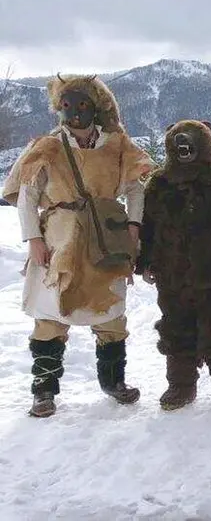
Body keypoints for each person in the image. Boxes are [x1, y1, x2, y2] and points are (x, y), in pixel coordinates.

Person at [2, 74, 154, 417]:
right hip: (61, 239)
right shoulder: (48, 146)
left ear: (96, 107)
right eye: (67, 104)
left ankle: (113, 381)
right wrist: (34, 240)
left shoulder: (117, 145)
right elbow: (27, 196)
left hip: (106, 237)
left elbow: (135, 189)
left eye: (82, 104)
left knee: (110, 314)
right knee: (51, 316)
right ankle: (44, 391)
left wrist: (133, 227)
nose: (74, 112)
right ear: (59, 107)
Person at [137, 120, 211, 410]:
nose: (184, 146)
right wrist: (145, 261)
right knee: (176, 330)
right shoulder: (158, 185)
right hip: (171, 274)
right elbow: (147, 227)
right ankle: (181, 385)